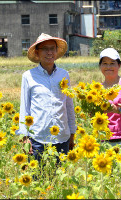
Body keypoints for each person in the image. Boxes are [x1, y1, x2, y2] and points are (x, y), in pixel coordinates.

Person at [16, 33, 76, 165]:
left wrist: (72, 132)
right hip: (38, 138)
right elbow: (24, 108)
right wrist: (24, 137)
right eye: (45, 49)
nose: (49, 52)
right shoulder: (28, 76)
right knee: (39, 179)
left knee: (61, 180)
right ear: (37, 53)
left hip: (62, 137)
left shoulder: (63, 74)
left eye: (52, 48)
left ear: (56, 51)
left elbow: (69, 105)